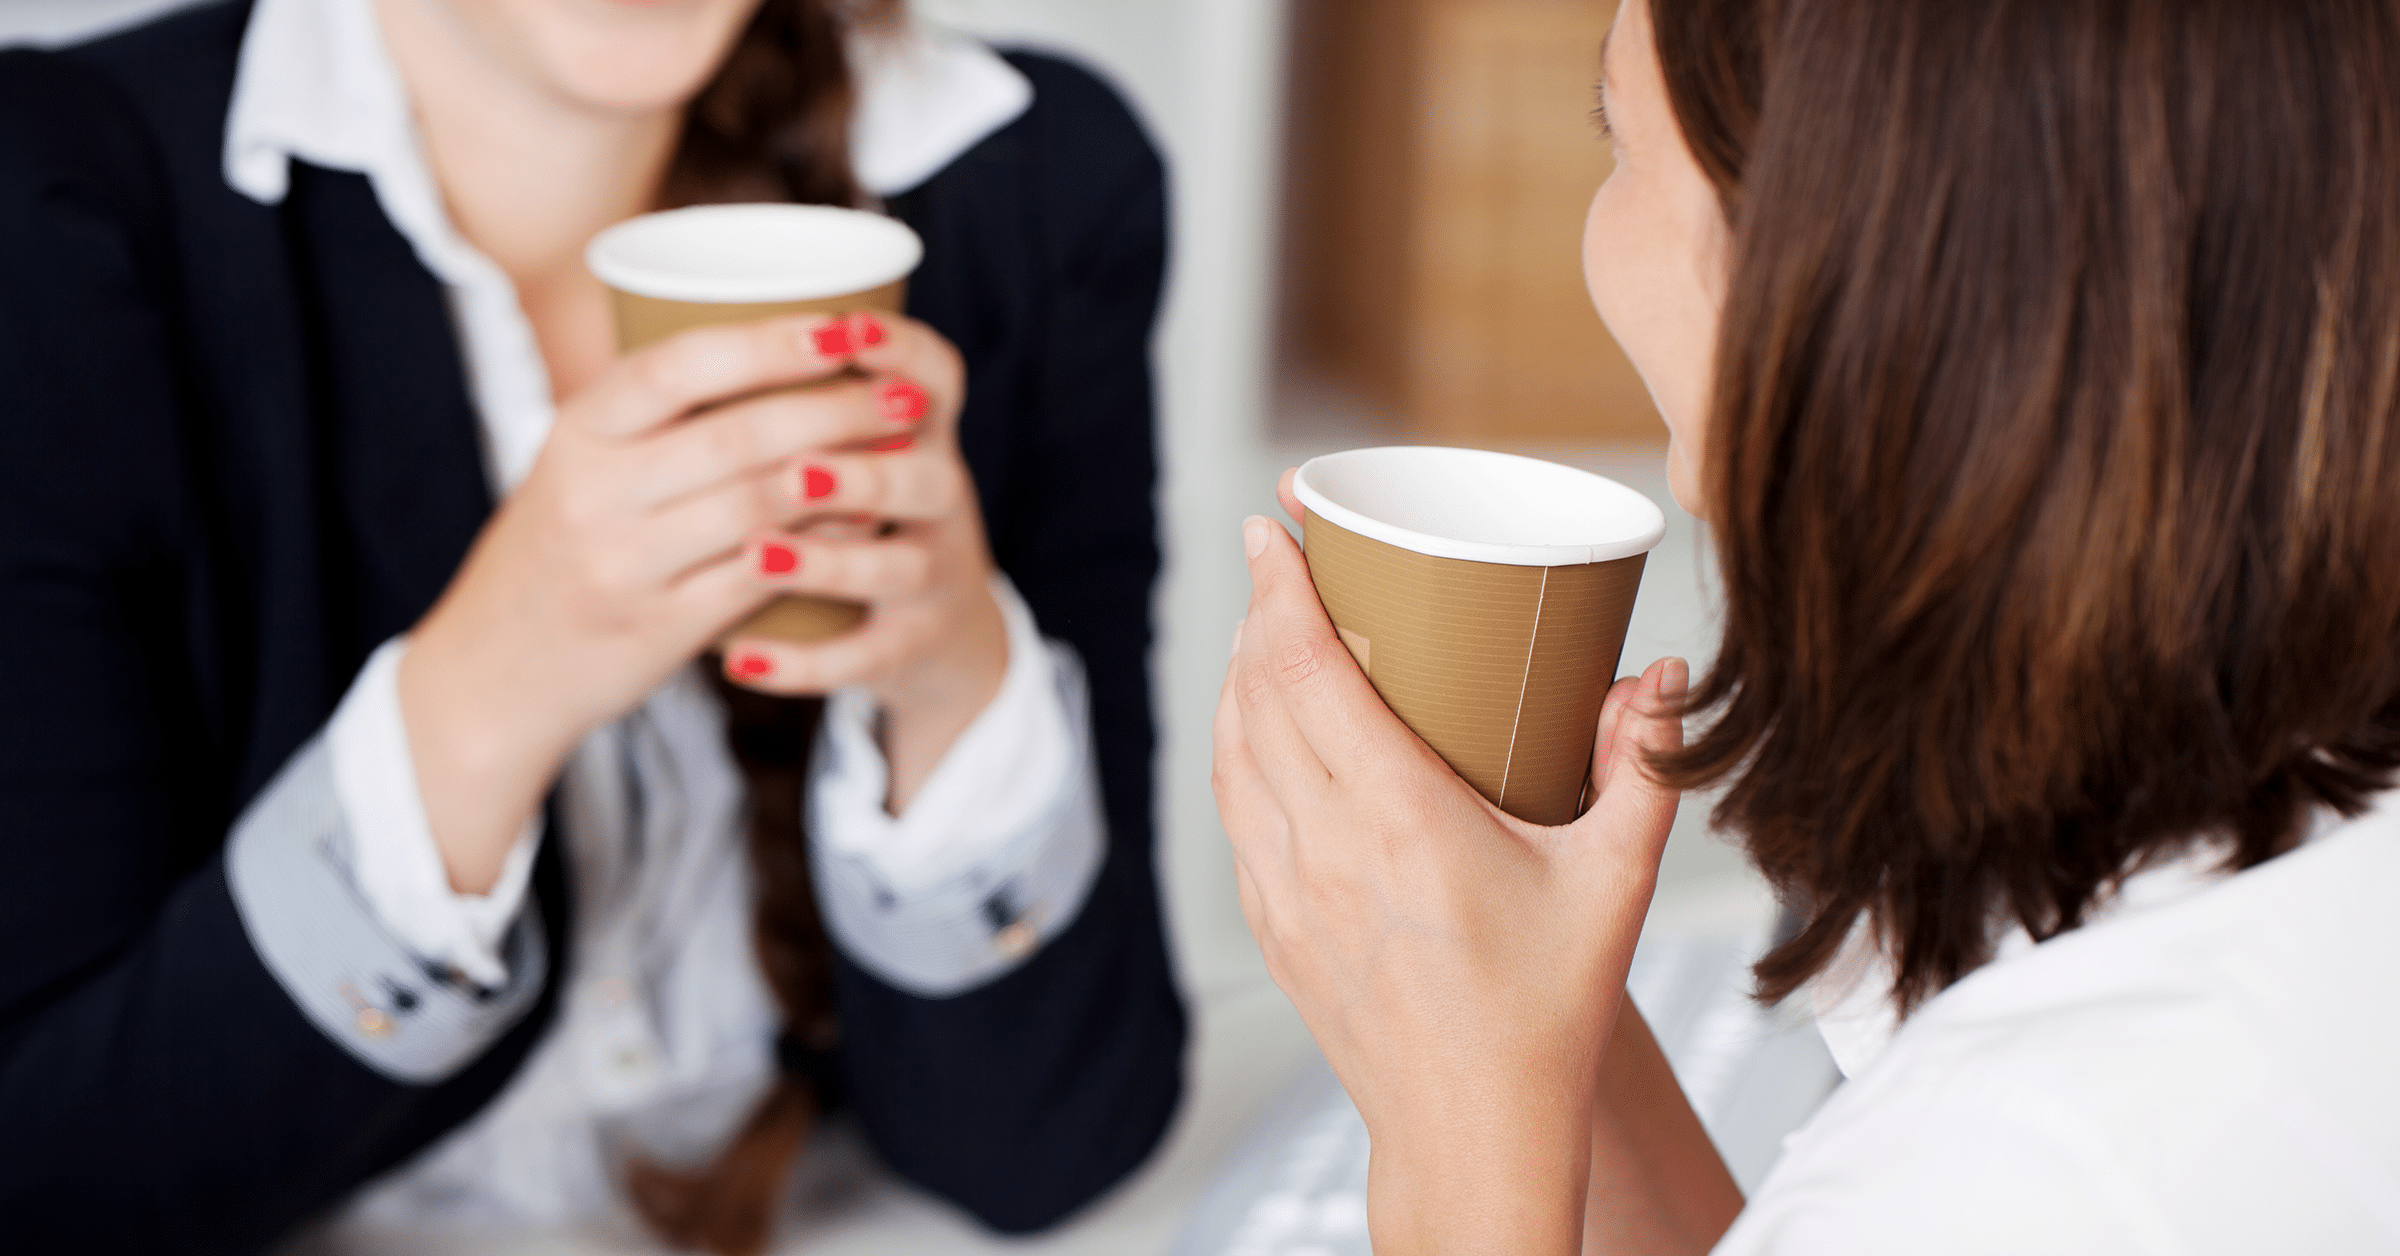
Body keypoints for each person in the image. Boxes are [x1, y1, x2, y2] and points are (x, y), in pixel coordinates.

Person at [0, 0, 1185, 1251]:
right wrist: (490, 691)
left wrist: (950, 679)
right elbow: (47, 1180)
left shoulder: (1028, 177)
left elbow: (1052, 1148)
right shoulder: (58, 208)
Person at [1215, 0, 2400, 1251]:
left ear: (1817, 277)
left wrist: (1446, 1125)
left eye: (1616, 138)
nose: (1593, 235)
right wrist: (1504, 1008)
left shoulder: (2047, 1170)